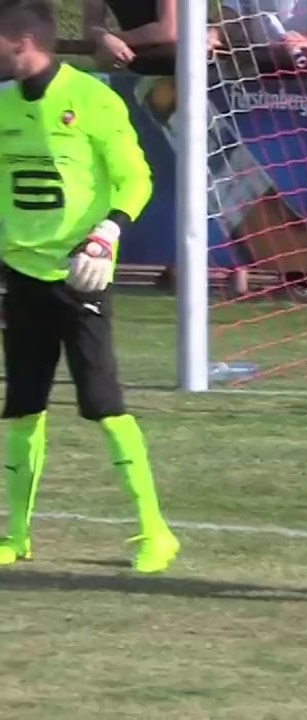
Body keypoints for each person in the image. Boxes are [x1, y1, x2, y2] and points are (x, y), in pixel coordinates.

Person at [0, 0, 180, 573]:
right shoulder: (2, 105)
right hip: (20, 275)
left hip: (81, 273)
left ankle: (155, 531)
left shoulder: (93, 99)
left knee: (103, 404)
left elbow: (135, 178)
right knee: (22, 406)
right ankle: (17, 535)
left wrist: (106, 234)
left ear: (21, 41)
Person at [82, 0, 178, 74]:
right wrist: (102, 38)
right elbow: (92, 23)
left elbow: (167, 31)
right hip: (137, 65)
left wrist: (113, 39)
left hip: (180, 67)